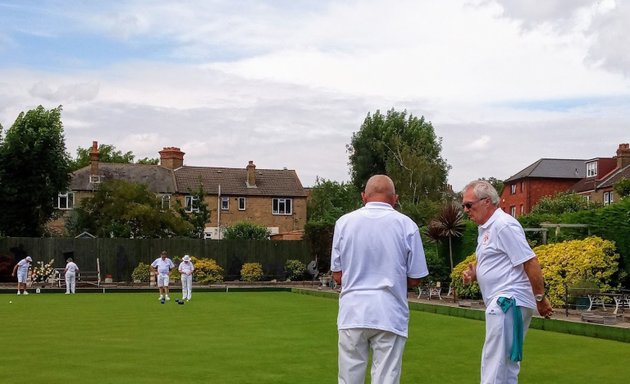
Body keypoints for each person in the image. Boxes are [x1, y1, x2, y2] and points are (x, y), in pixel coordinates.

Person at [331, 174, 429, 384]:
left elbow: (337, 275)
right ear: (395, 198)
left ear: (363, 197)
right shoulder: (407, 225)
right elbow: (416, 278)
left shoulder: (344, 223)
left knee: (348, 379)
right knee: (386, 379)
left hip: (352, 312)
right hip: (389, 312)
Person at [460, 180, 553, 384]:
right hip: (508, 301)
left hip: (507, 301)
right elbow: (500, 262)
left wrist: (540, 297)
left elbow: (530, 261)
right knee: (508, 366)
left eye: (469, 204)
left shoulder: (503, 225)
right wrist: (476, 273)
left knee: (494, 365)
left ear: (486, 202)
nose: (465, 210)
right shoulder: (486, 228)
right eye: (464, 206)